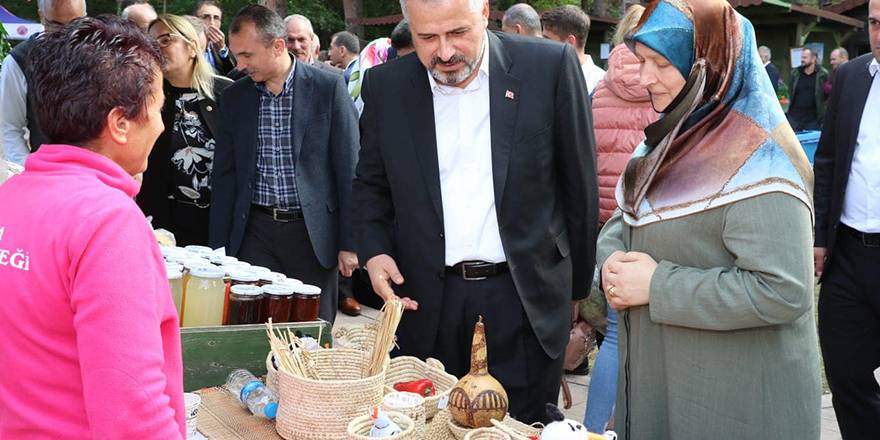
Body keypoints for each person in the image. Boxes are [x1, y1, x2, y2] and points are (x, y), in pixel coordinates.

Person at [353, 0, 598, 423]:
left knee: (523, 427)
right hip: (426, 300)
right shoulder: (385, 86)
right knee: (430, 425)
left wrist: (575, 291)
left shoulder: (548, 66)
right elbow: (371, 186)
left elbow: (578, 184)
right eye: (427, 38)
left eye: (458, 33)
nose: (445, 53)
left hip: (524, 298)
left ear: (485, 11)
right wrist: (374, 252)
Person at [598, 1, 819, 438]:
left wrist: (658, 285)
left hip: (733, 403)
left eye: (660, 63)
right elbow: (622, 224)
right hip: (660, 381)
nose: (644, 79)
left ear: (711, 64)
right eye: (641, 61)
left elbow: (783, 291)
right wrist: (610, 262)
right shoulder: (672, 140)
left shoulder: (762, 163)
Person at [0, 15, 185, 438]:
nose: (160, 123)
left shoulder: (9, 198)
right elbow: (133, 410)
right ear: (120, 123)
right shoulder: (107, 221)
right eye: (157, 108)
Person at [210, 5, 359, 325]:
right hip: (254, 232)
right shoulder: (235, 97)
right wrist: (218, 248)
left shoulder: (327, 88)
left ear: (278, 46)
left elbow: (348, 168)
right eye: (237, 56)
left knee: (311, 334)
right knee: (253, 328)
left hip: (313, 234)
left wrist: (350, 243)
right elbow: (225, 176)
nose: (240, 64)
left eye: (247, 55)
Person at [582, 3, 656, 434]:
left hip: (605, 222)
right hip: (651, 220)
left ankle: (594, 429)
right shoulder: (667, 81)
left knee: (612, 335)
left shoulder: (601, 89)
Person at [814, 1, 880, 437]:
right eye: (876, 23)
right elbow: (829, 159)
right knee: (844, 371)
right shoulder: (851, 76)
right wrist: (821, 237)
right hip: (848, 254)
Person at [138, 15, 232, 247]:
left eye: (165, 39)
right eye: (151, 43)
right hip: (163, 224)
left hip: (218, 223)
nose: (156, 48)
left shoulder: (228, 93)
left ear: (191, 47)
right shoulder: (145, 98)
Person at [0, 0, 87, 166]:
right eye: (55, 25)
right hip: (45, 171)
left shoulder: (97, 53)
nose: (66, 34)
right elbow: (9, 128)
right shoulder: (19, 61)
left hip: (95, 173)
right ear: (41, 16)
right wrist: (27, 169)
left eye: (76, 24)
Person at [541, 5, 605, 93]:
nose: (542, 45)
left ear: (570, 42)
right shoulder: (545, 76)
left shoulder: (601, 84)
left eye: (547, 40)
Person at [787, 47, 829, 131]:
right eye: (801, 57)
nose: (802, 60)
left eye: (805, 57)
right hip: (795, 118)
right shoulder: (795, 73)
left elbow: (825, 95)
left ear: (813, 59)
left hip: (813, 120)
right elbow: (790, 91)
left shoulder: (823, 74)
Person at [194, 0, 236, 76]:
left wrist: (222, 50)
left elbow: (233, 77)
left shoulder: (226, 49)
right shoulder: (186, 47)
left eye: (216, 18)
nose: (212, 23)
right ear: (194, 19)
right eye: (206, 17)